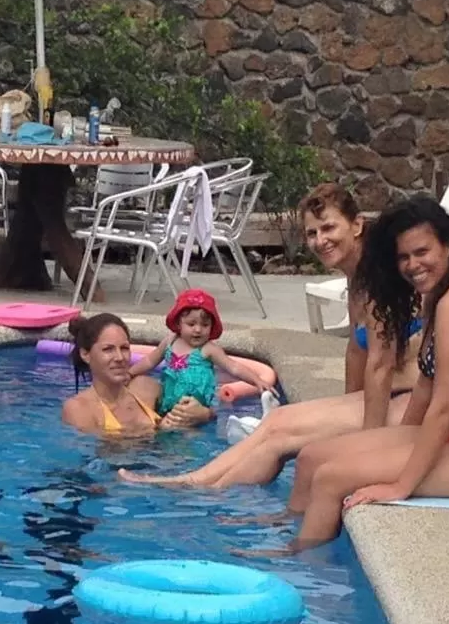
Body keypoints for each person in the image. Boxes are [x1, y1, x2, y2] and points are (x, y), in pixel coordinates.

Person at [253, 195, 449, 552]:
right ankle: (290, 527)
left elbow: (445, 406)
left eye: (422, 252)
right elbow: (424, 388)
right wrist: (393, 442)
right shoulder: (436, 296)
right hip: (448, 441)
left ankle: (302, 565)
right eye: (403, 257)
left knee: (332, 478)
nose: (412, 265)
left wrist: (400, 485)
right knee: (313, 456)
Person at [118, 182, 421, 488]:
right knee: (276, 422)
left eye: (329, 228)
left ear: (357, 225)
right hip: (389, 395)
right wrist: (345, 406)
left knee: (282, 434)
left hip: (409, 403)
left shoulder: (379, 279)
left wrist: (365, 447)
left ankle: (195, 484)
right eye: (312, 233)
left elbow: (381, 364)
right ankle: (198, 483)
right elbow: (357, 351)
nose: (320, 241)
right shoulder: (358, 277)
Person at [61, 313, 214, 436]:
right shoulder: (78, 408)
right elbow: (101, 456)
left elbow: (192, 412)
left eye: (125, 348)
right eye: (108, 349)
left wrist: (203, 414)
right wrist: (159, 431)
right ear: (85, 354)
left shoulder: (146, 388)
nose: (120, 357)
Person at [129, 288, 272, 416]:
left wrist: (256, 380)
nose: (198, 329)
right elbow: (149, 361)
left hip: (195, 410)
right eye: (191, 324)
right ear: (179, 323)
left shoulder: (208, 349)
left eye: (205, 325)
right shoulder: (170, 342)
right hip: (167, 404)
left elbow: (233, 367)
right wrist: (129, 373)